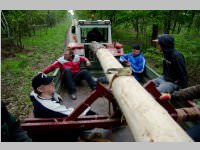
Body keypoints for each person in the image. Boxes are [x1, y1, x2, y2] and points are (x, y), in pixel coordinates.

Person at [30, 72, 96, 118]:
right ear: (40, 89)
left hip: (50, 122)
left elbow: (33, 92)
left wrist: (54, 93)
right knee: (89, 113)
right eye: (49, 83)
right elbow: (74, 114)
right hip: (60, 130)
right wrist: (89, 112)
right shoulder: (50, 106)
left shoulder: (35, 95)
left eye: (51, 81)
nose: (53, 83)